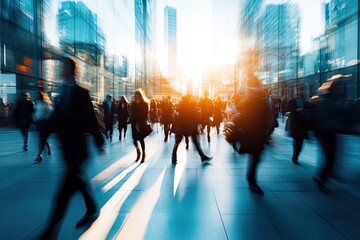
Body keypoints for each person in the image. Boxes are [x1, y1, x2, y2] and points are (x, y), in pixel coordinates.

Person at [39, 57, 104, 239]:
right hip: (68, 150)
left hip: (78, 151)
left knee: (63, 194)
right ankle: (91, 208)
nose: (59, 70)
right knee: (77, 181)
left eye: (62, 67)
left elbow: (90, 119)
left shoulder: (81, 92)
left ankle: (49, 232)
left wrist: (99, 141)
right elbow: (58, 119)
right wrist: (45, 127)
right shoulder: (62, 92)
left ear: (71, 70)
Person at [238, 76, 270, 195]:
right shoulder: (254, 101)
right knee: (256, 156)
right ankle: (252, 181)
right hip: (254, 134)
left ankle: (251, 179)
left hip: (256, 134)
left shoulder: (254, 101)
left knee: (256, 156)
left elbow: (266, 118)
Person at [313, 76, 344, 192]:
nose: (340, 90)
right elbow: (323, 118)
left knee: (329, 158)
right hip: (326, 133)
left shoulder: (331, 99)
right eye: (338, 87)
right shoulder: (326, 101)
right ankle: (322, 179)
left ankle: (321, 176)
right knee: (329, 159)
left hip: (329, 132)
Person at [171, 95, 212, 164]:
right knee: (196, 143)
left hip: (181, 128)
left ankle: (173, 158)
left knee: (177, 143)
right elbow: (194, 118)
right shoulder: (190, 106)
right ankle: (202, 156)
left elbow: (176, 117)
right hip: (190, 127)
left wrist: (174, 127)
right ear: (188, 99)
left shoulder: (180, 106)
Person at [286, 87, 308, 165]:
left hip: (302, 125)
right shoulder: (292, 101)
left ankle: (296, 156)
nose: (300, 92)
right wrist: (296, 110)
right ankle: (295, 157)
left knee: (301, 142)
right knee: (297, 141)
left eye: (301, 90)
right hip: (295, 124)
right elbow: (287, 111)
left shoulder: (304, 101)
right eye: (298, 90)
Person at [130, 88, 151, 163]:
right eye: (135, 96)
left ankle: (143, 154)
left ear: (140, 96)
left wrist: (148, 121)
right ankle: (138, 151)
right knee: (134, 140)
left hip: (141, 123)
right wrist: (133, 122)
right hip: (134, 123)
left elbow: (145, 114)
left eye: (137, 96)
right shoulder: (133, 104)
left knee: (141, 139)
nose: (136, 97)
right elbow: (132, 114)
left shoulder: (144, 104)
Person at [33, 91, 53, 163]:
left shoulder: (46, 104)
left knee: (41, 139)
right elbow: (35, 112)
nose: (38, 97)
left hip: (44, 123)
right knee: (42, 138)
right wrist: (34, 119)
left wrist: (45, 119)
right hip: (38, 123)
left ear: (42, 96)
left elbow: (48, 114)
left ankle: (39, 155)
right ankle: (48, 147)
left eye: (39, 96)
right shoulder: (36, 103)